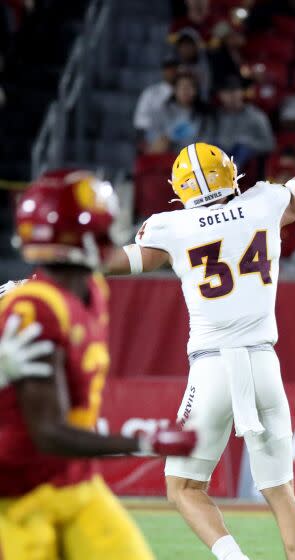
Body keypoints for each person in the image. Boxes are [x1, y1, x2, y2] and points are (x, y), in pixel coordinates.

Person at [100, 75, 295, 559]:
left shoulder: (170, 227)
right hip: (264, 364)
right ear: (229, 174)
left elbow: (120, 263)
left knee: (183, 487)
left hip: (213, 367)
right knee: (281, 492)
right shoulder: (262, 202)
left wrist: (45, 275)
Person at [0, 170, 196, 560]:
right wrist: (146, 442)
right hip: (21, 494)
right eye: (105, 230)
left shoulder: (91, 291)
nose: (111, 239)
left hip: (75, 482)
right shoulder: (35, 311)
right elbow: (49, 435)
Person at [146, 71, 215, 154]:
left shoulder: (205, 114)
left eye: (190, 87)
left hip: (194, 158)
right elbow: (153, 137)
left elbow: (207, 141)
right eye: (182, 87)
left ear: (196, 91)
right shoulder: (162, 110)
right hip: (166, 156)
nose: (186, 91)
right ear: (175, 90)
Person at [214, 75, 275, 168]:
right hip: (218, 160)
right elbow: (206, 139)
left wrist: (248, 143)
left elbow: (269, 144)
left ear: (242, 92)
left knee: (242, 149)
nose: (231, 95)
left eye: (235, 90)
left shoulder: (256, 115)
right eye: (227, 92)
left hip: (247, 166)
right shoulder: (214, 116)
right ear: (220, 95)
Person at [133, 54, 179, 144]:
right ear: (163, 70)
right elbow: (140, 121)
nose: (171, 71)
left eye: (174, 68)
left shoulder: (187, 92)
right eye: (168, 68)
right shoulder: (151, 92)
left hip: (182, 138)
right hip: (157, 140)